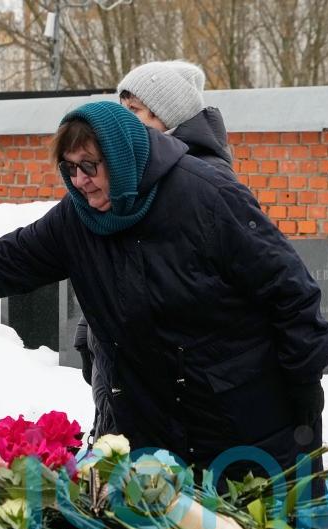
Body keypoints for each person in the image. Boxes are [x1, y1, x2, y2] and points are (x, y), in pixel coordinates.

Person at [0, 100, 328, 485]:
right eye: (70, 168)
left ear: (121, 158)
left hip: (243, 418)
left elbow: (289, 289)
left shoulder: (204, 194)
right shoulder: (79, 217)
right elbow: (4, 261)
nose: (80, 180)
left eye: (90, 166)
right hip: (153, 421)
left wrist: (304, 381)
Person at [75, 60, 235, 441]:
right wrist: (89, 330)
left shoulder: (203, 180)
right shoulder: (131, 170)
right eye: (122, 108)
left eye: (135, 111)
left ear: (169, 118)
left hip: (172, 379)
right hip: (120, 361)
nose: (122, 122)